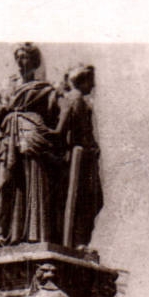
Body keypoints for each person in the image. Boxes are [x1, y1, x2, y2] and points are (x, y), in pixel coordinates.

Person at [0, 43, 61, 248]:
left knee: (33, 181)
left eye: (25, 58)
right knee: (7, 183)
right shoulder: (6, 87)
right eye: (18, 58)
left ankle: (34, 234)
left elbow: (55, 115)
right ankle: (6, 234)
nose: (21, 62)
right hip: (6, 136)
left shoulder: (45, 89)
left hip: (32, 134)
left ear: (34, 61)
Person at [52, 64, 102, 249]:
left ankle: (79, 241)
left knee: (89, 199)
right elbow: (61, 130)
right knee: (86, 199)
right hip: (80, 159)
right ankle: (78, 242)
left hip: (85, 157)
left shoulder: (77, 99)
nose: (93, 86)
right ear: (81, 80)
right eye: (91, 81)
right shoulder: (75, 99)